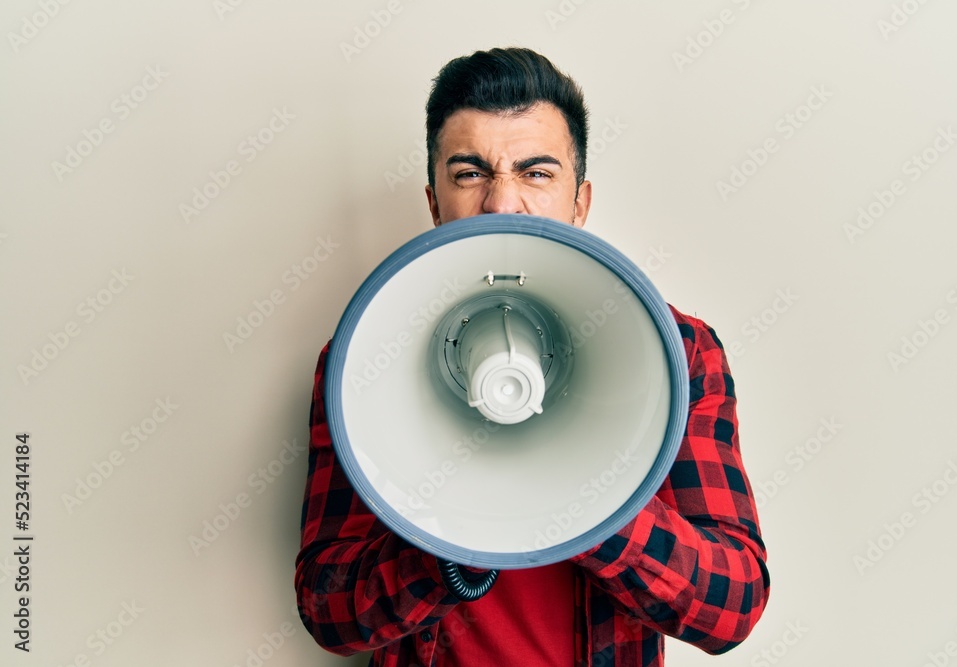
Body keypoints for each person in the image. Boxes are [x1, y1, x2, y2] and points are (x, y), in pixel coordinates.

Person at [295, 47, 769, 667]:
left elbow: (730, 607)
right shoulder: (361, 357)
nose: (501, 203)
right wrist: (450, 533)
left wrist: (588, 498)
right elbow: (329, 612)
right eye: (469, 173)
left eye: (537, 173)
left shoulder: (678, 352)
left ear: (581, 201)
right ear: (435, 203)